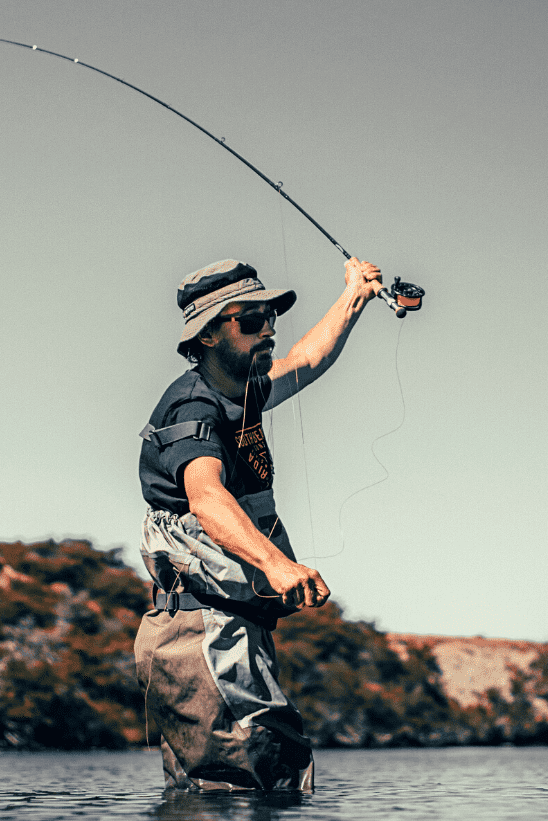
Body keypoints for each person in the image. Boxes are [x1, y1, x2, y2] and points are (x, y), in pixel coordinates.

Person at [134, 256, 383, 792]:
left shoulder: (242, 393)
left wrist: (354, 296)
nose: (268, 329)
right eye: (249, 321)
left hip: (227, 633)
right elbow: (206, 497)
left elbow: (307, 358)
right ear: (205, 335)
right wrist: (277, 565)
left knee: (226, 797)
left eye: (270, 316)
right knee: (264, 783)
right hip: (203, 636)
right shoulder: (192, 409)